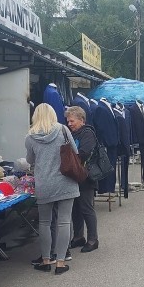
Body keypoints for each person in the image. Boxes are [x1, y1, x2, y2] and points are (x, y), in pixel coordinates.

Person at [25, 103, 80, 275]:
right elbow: (75, 151)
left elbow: (30, 160)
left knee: (44, 223)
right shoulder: (63, 130)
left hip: (45, 184)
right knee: (64, 221)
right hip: (65, 181)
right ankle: (61, 263)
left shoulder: (30, 136)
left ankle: (46, 260)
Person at [65, 106, 99, 253]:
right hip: (75, 176)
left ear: (81, 120)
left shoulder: (87, 133)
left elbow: (84, 153)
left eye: (72, 121)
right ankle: (78, 237)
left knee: (86, 208)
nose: (69, 124)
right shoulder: (73, 133)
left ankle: (93, 239)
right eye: (68, 121)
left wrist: (68, 158)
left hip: (86, 177)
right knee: (75, 209)